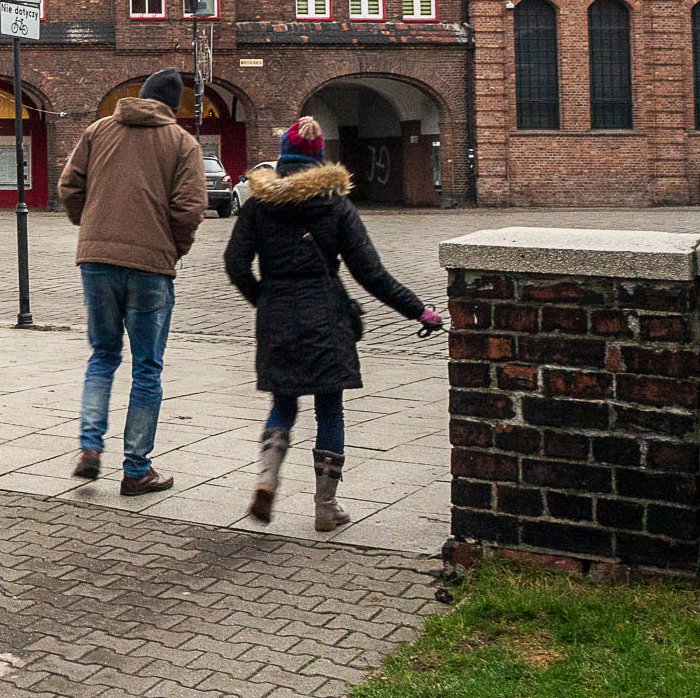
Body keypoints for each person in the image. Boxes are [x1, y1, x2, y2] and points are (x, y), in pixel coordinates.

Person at [224, 117, 443, 531]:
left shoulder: (257, 206)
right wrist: (419, 311)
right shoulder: (336, 205)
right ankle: (326, 507)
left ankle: (267, 477)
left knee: (283, 403)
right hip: (326, 314)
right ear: (320, 158)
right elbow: (370, 273)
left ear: (284, 157)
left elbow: (235, 264)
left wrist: (263, 299)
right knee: (330, 410)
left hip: (277, 314)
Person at [58, 68, 204, 496]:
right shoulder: (182, 143)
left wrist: (91, 226)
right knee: (147, 368)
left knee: (102, 355)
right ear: (173, 106)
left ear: (139, 97)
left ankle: (89, 447)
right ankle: (136, 469)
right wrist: (172, 248)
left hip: (96, 261)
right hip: (151, 267)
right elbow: (189, 208)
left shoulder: (98, 131)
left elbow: (70, 186)